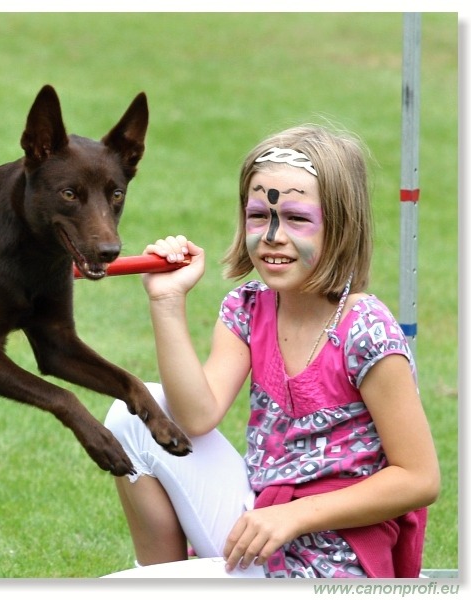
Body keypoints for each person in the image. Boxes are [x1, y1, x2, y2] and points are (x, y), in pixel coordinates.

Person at [104, 124, 440, 578]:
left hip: (332, 561)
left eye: (297, 219)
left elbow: (419, 478)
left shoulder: (366, 331)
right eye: (259, 215)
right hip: (260, 525)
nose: (272, 236)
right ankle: (158, 573)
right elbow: (195, 418)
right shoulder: (250, 307)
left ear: (340, 227)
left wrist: (293, 516)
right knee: (134, 411)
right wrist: (166, 301)